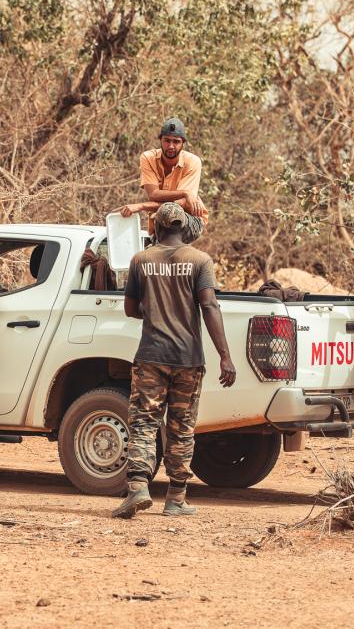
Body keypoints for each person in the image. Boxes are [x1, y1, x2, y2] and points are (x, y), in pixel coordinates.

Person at [112, 202, 236, 519]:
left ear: (156, 227)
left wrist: (152, 311)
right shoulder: (200, 261)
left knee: (143, 423)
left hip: (151, 356)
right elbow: (209, 307)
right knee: (182, 429)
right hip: (188, 358)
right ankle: (176, 499)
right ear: (183, 228)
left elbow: (130, 309)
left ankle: (138, 488)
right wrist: (225, 356)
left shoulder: (141, 261)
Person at [119, 117, 208, 243]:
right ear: (160, 140)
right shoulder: (148, 158)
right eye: (167, 140)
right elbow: (154, 194)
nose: (171, 146)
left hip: (191, 220)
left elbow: (180, 204)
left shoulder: (193, 162)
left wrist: (142, 206)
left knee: (170, 214)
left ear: (183, 143)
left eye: (176, 142)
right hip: (160, 222)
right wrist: (184, 193)